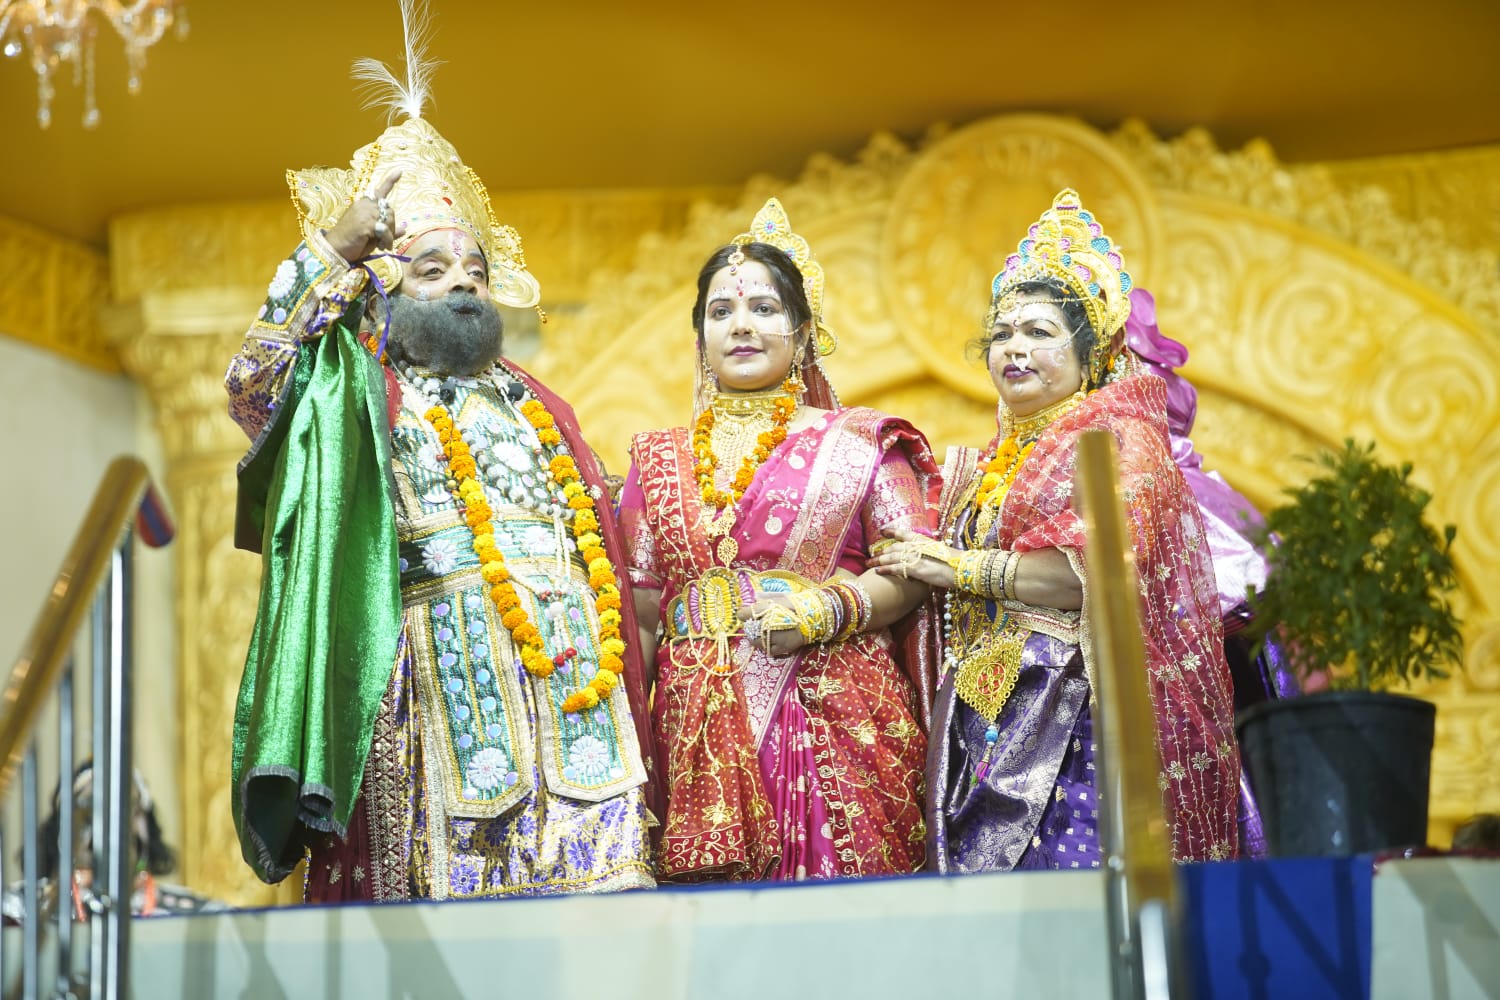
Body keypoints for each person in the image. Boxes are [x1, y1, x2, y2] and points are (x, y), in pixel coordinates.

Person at [223, 22, 654, 900]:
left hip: (574, 678)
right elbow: (250, 385)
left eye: (475, 268)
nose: (462, 281)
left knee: (601, 924)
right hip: (428, 672)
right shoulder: (352, 388)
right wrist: (331, 254)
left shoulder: (537, 402)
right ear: (382, 288)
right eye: (430, 267)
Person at [872, 189, 1241, 870]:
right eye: (1003, 334)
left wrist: (956, 569)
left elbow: (1095, 566)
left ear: (1091, 352)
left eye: (1040, 332)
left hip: (1074, 704)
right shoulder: (996, 459)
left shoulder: (1119, 439)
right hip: (988, 709)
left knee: (1065, 897)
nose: (1014, 348)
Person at [617, 199, 938, 881]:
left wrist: (824, 610)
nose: (740, 326)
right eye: (720, 311)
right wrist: (626, 744)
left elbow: (911, 568)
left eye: (764, 309)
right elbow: (641, 608)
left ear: (803, 330)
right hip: (693, 721)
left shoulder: (861, 443)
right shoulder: (656, 457)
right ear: (699, 333)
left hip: (829, 704)